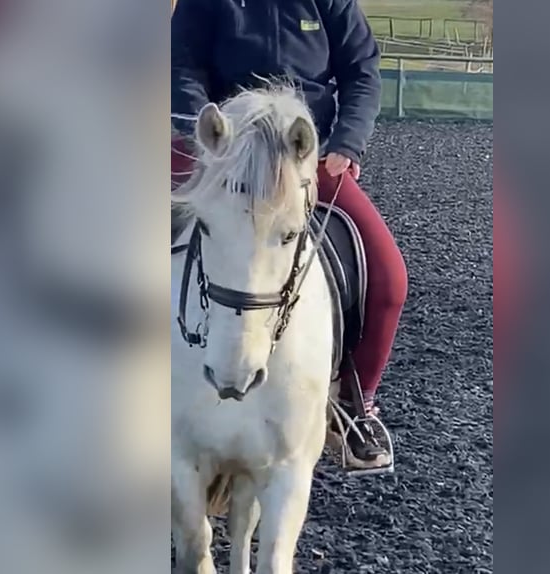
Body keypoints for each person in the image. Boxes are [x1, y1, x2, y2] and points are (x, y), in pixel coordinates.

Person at [172, 0, 408, 472]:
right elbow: (181, 66)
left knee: (389, 280)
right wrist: (207, 133)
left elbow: (361, 69)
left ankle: (355, 404)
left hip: (301, 159)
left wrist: (347, 140)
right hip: (221, 154)